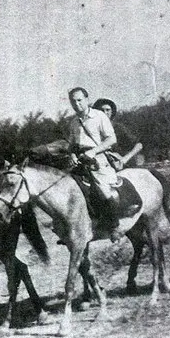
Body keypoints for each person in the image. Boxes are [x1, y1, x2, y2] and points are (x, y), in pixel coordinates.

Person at [67, 87, 136, 241]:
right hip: (80, 161)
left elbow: (111, 139)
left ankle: (114, 226)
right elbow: (71, 145)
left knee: (105, 191)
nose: (76, 104)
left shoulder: (99, 116)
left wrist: (94, 152)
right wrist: (72, 155)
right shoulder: (73, 123)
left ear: (86, 99)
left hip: (98, 160)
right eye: (73, 101)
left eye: (79, 100)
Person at [93, 98, 144, 169]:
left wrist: (125, 158)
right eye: (101, 110)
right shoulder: (92, 129)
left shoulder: (118, 128)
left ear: (112, 112)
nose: (104, 112)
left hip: (118, 164)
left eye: (107, 110)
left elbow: (139, 145)